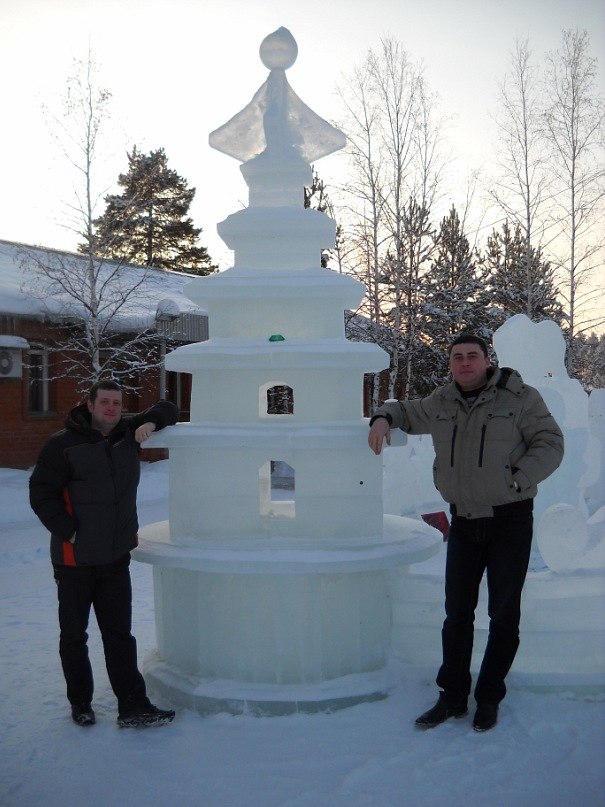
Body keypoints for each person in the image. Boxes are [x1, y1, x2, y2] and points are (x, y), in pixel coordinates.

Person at [368, 333, 564, 732]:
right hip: (463, 522)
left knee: (504, 616)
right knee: (457, 615)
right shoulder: (441, 402)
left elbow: (550, 442)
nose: (464, 364)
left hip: (509, 519)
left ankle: (489, 698)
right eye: (457, 357)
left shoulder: (519, 397)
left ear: (487, 360)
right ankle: (453, 697)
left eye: (472, 356)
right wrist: (383, 417)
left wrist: (518, 479)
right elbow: (404, 410)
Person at [30, 380, 178, 728]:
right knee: (74, 635)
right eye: (105, 402)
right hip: (73, 561)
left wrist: (151, 422)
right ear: (90, 404)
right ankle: (80, 703)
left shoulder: (127, 433)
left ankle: (133, 706)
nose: (111, 408)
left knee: (119, 636)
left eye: (117, 403)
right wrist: (70, 532)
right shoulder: (62, 446)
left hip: (114, 560)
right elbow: (41, 494)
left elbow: (167, 407)